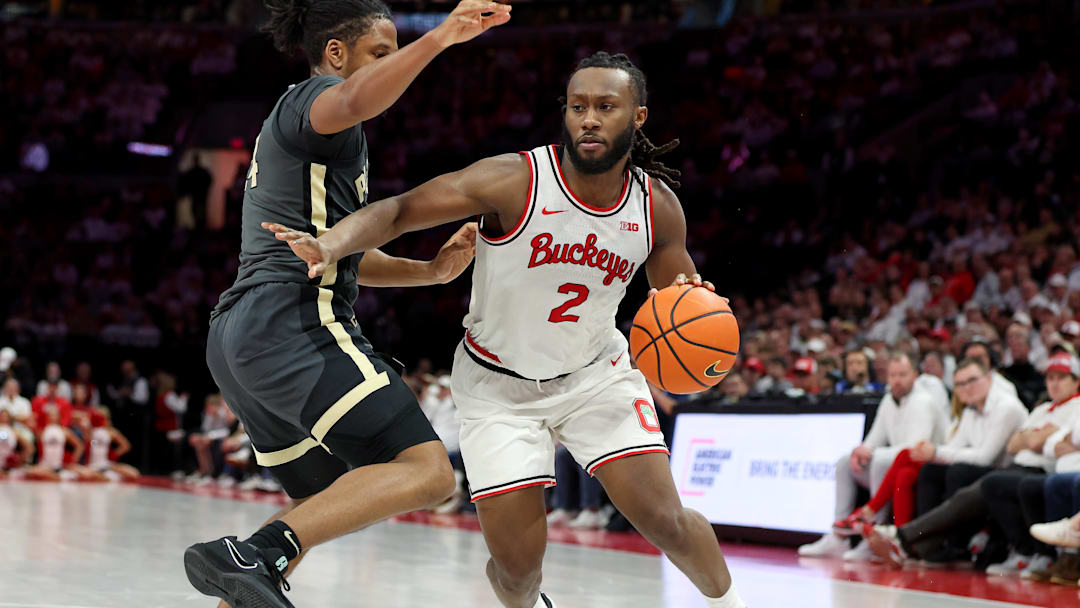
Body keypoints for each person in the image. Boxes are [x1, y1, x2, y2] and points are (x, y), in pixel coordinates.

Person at [269, 51, 746, 608]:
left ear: (638, 116)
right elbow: (399, 211)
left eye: (606, 107)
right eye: (577, 107)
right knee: (519, 574)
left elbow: (676, 299)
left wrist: (695, 305)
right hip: (497, 388)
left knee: (667, 522)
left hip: (596, 378)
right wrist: (332, 244)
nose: (589, 119)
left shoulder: (657, 207)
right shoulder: (515, 181)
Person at [182, 2, 511, 607]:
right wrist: (440, 37)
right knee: (429, 471)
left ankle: (251, 565)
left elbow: (336, 254)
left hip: (243, 335)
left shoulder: (319, 138)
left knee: (320, 504)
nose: (390, 66)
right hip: (290, 323)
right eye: (379, 54)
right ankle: (250, 554)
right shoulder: (314, 102)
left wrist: (430, 272)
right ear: (336, 54)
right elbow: (359, 97)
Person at [798, 351, 947, 560]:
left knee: (881, 460)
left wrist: (872, 452)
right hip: (893, 467)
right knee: (844, 463)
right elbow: (874, 438)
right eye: (893, 375)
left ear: (915, 375)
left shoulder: (924, 401)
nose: (897, 380)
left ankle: (874, 534)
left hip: (925, 467)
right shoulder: (888, 400)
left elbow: (914, 449)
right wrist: (862, 450)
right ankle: (838, 537)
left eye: (903, 375)